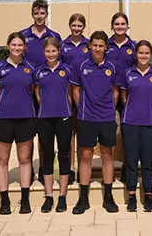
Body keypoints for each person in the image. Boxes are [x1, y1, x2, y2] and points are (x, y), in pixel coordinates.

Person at [69, 30, 122, 214]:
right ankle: (83, 199)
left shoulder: (113, 66)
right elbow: (75, 90)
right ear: (89, 45)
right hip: (86, 118)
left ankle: (108, 197)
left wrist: (108, 108)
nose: (98, 49)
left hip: (106, 118)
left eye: (101, 45)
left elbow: (116, 91)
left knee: (108, 156)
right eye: (95, 45)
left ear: (106, 47)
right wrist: (84, 108)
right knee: (85, 157)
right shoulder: (79, 65)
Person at [0, 32, 37, 215]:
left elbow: (31, 91)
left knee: (25, 160)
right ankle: (5, 200)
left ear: (24, 47)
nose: (17, 48)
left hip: (26, 118)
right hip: (3, 119)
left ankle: (25, 200)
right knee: (3, 160)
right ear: (8, 46)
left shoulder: (30, 68)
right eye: (13, 45)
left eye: (20, 45)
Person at [121, 40, 152, 213]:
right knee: (131, 161)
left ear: (150, 54)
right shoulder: (128, 73)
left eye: (147, 53)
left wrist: (149, 108)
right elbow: (124, 95)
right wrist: (134, 109)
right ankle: (131, 196)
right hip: (130, 122)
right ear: (135, 54)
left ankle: (148, 195)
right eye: (141, 53)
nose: (143, 56)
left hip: (150, 123)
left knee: (147, 161)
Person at [20, 0, 62, 186]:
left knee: (48, 132)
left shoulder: (54, 35)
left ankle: (46, 168)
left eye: (42, 13)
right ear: (32, 14)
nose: (39, 16)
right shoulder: (23, 35)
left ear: (46, 15)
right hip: (29, 89)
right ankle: (28, 168)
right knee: (29, 133)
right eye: (36, 13)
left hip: (48, 90)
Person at [34, 37, 73, 213]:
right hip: (45, 118)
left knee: (64, 155)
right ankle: (49, 196)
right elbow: (37, 93)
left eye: (54, 51)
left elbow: (71, 94)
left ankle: (62, 196)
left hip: (64, 117)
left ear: (59, 52)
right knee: (47, 156)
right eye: (48, 51)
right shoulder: (38, 71)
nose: (51, 54)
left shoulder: (67, 70)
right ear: (44, 52)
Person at [106, 12, 136, 183]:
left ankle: (127, 167)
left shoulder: (133, 45)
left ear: (127, 26)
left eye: (123, 24)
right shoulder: (106, 45)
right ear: (112, 26)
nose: (119, 27)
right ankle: (108, 169)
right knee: (109, 133)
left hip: (128, 95)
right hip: (108, 94)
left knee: (127, 134)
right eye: (116, 24)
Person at [60, 13, 89, 184]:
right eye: (74, 25)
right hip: (67, 93)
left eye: (80, 26)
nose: (76, 29)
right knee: (69, 133)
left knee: (83, 132)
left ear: (84, 27)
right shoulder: (63, 45)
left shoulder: (88, 44)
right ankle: (70, 168)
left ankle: (81, 168)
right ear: (69, 26)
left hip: (84, 93)